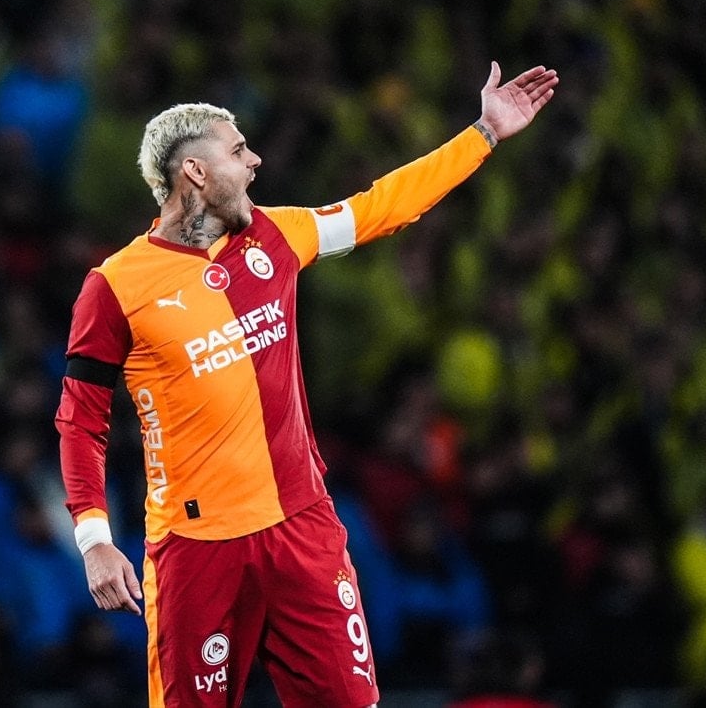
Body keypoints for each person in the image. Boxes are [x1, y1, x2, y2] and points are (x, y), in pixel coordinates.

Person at [54, 61, 558, 707]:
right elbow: (81, 420)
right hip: (195, 548)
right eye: (239, 150)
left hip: (301, 527)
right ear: (196, 172)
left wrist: (482, 134)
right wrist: (94, 541)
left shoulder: (277, 235)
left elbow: (382, 206)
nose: (256, 161)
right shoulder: (115, 286)